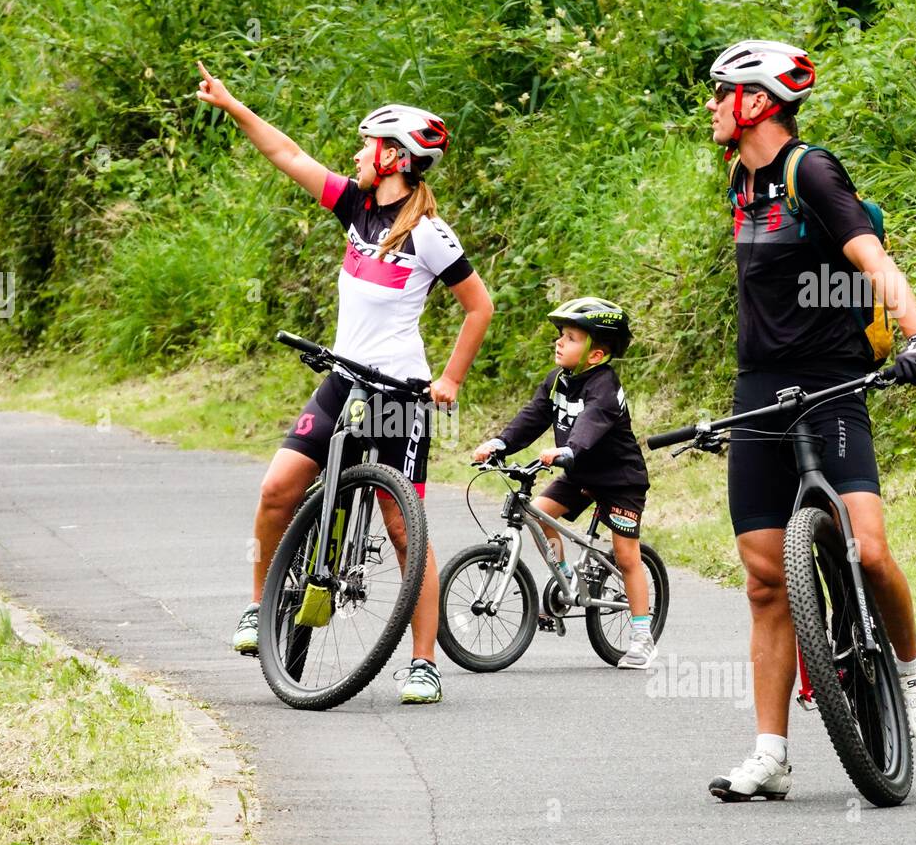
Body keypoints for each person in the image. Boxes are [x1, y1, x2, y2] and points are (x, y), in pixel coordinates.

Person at [196, 64, 494, 705]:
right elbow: (288, 154)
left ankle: (422, 664)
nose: (356, 155)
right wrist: (234, 106)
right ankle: (258, 607)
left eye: (366, 146)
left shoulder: (430, 235)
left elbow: (480, 307)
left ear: (392, 158)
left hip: (398, 396)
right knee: (278, 488)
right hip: (341, 380)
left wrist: (449, 378)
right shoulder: (354, 205)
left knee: (402, 525)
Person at [702, 40, 916, 801]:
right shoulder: (740, 181)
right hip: (759, 391)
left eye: (721, 94)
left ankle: (912, 673)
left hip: (832, 381)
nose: (711, 107)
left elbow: (872, 258)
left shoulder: (809, 169)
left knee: (868, 552)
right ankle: (770, 755)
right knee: (765, 580)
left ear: (756, 103)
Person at [473, 298, 654, 667]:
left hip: (621, 481)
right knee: (537, 513)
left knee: (626, 555)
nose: (559, 342)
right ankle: (567, 577)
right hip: (580, 475)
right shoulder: (557, 380)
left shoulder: (606, 386)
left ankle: (641, 636)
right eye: (561, 335)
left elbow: (593, 421)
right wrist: (500, 443)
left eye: (570, 337)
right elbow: (533, 416)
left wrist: (568, 449)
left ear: (595, 354)